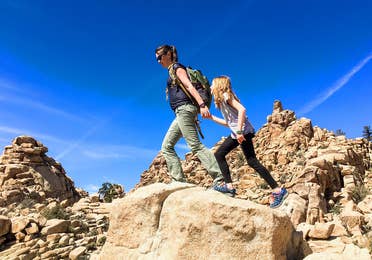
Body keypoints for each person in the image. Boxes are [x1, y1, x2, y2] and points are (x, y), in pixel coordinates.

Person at [207, 75, 288, 207]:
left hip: (242, 132)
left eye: (212, 84)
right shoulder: (223, 102)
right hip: (240, 132)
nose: (210, 87)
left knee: (220, 154)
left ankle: (229, 187)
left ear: (218, 86)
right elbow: (229, 123)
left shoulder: (226, 96)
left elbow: (242, 110)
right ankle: (277, 190)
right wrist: (212, 118)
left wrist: (239, 131)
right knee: (251, 161)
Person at [155, 44, 224, 188]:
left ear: (168, 54)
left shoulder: (177, 68)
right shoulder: (171, 71)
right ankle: (178, 181)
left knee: (195, 145)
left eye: (160, 57)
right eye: (156, 59)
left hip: (185, 110)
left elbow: (189, 86)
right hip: (182, 112)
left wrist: (202, 105)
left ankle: (220, 179)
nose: (158, 61)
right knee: (166, 147)